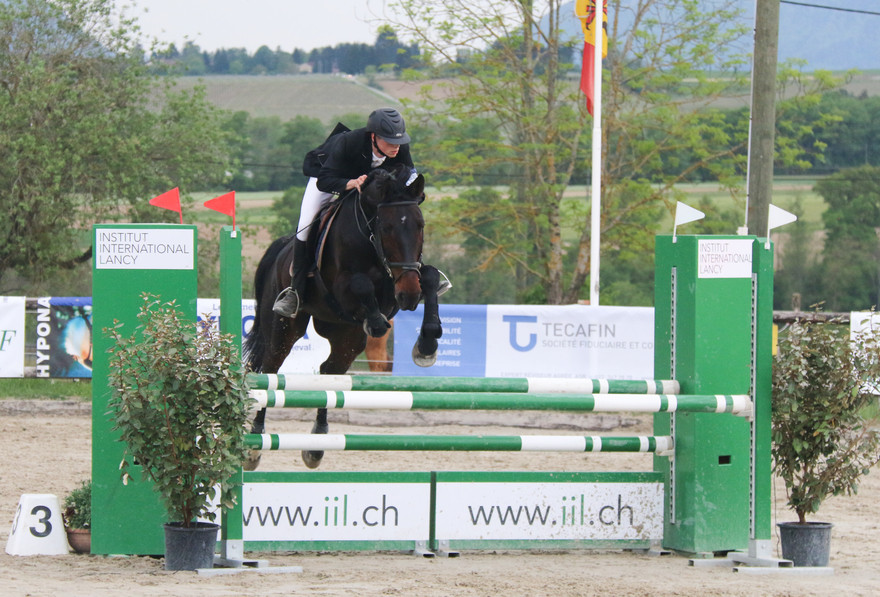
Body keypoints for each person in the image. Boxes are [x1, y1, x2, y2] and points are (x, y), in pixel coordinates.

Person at [273, 107, 417, 318]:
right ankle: (295, 291)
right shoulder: (348, 142)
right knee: (306, 223)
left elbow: (410, 174)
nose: (396, 146)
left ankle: (416, 271)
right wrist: (350, 183)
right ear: (374, 137)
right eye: (390, 141)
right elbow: (324, 180)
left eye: (399, 141)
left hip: (369, 184)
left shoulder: (399, 146)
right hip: (330, 177)